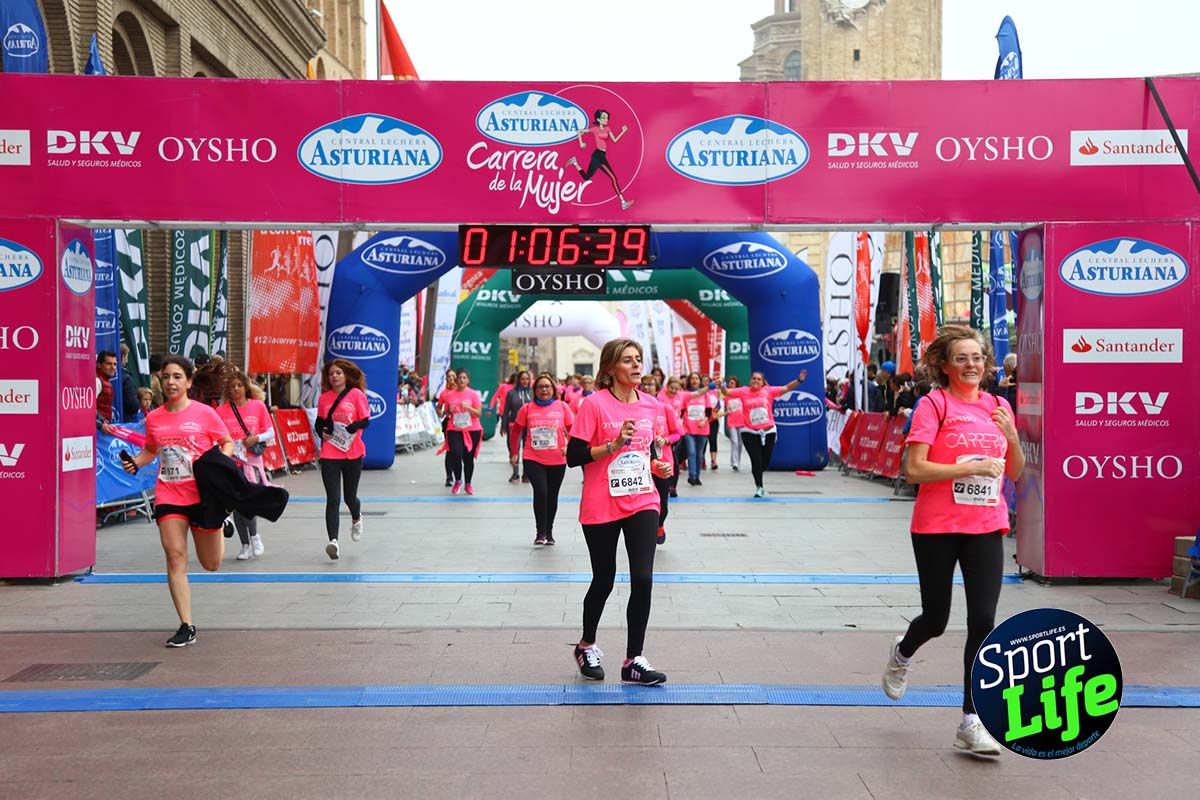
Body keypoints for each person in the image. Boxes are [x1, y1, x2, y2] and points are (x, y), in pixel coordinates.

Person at [881, 326, 1025, 756]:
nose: (971, 365)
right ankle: (903, 652)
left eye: (977, 357)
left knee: (983, 621)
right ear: (945, 365)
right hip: (937, 526)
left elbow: (1014, 472)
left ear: (987, 363)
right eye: (961, 358)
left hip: (985, 526)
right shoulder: (933, 404)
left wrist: (1012, 437)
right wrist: (968, 468)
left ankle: (972, 719)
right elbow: (914, 470)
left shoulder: (999, 406)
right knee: (937, 620)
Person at [566, 338, 672, 685]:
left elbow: (652, 449)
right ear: (611, 368)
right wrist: (612, 445)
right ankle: (587, 644)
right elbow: (573, 456)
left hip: (642, 498)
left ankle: (633, 660)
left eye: (639, 359)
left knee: (643, 579)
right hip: (601, 502)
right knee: (604, 579)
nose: (637, 365)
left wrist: (659, 467)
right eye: (628, 360)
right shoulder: (593, 405)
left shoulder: (653, 406)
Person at [120, 355, 234, 647]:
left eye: (177, 377)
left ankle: (221, 521)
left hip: (202, 495)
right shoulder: (154, 417)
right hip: (169, 494)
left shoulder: (204, 414)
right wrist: (136, 462)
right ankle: (186, 625)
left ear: (189, 381)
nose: (170, 382)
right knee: (175, 556)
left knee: (211, 564)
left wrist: (219, 465)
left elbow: (226, 441)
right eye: (166, 376)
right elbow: (150, 450)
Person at [314, 359, 371, 560]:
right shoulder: (324, 398)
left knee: (349, 498)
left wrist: (354, 426)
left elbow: (366, 420)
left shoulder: (356, 395)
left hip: (352, 452)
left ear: (346, 375)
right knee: (333, 498)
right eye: (331, 374)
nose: (334, 376)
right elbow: (319, 423)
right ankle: (333, 542)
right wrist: (323, 432)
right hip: (330, 451)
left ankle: (356, 517)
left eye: (338, 373)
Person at [217, 369, 275, 561]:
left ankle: (255, 536)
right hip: (231, 462)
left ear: (246, 387)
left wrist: (255, 438)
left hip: (252, 462)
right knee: (235, 505)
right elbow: (215, 434)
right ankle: (244, 545)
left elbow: (270, 432)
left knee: (248, 502)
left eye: (239, 385)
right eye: (232, 386)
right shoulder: (222, 411)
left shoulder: (258, 406)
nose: (236, 389)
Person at [511, 373, 574, 546]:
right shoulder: (527, 408)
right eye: (540, 387)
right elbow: (516, 430)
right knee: (541, 492)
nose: (544, 390)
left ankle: (549, 532)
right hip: (533, 457)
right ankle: (540, 532)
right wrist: (513, 452)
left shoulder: (562, 407)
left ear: (553, 389)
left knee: (552, 496)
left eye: (547, 386)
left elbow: (573, 430)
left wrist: (571, 447)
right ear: (535, 390)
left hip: (557, 458)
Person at [726, 369, 808, 497]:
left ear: (763, 382)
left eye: (759, 379)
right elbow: (726, 392)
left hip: (768, 430)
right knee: (756, 460)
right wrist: (721, 385)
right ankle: (759, 487)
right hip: (749, 431)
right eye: (754, 378)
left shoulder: (768, 391)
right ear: (750, 380)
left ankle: (759, 472)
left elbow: (786, 388)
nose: (756, 381)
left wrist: (799, 380)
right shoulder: (743, 391)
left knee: (765, 462)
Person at [566, 109, 635, 210]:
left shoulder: (607, 129)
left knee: (586, 177)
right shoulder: (595, 129)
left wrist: (623, 132)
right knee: (613, 178)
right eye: (603, 117)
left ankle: (575, 162)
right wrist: (581, 142)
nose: (606, 119)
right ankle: (623, 202)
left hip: (600, 155)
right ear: (598, 119)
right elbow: (579, 131)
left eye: (607, 117)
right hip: (598, 156)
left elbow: (615, 140)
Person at [438, 368, 483, 495]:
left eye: (464, 377)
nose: (461, 380)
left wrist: (468, 408)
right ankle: (458, 480)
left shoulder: (473, 394)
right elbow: (445, 413)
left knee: (468, 459)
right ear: (456, 380)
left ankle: (468, 483)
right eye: (459, 378)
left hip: (472, 430)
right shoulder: (449, 395)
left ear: (468, 380)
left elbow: (478, 413)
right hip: (454, 429)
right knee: (455, 454)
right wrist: (449, 411)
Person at [648, 376, 681, 545]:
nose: (647, 387)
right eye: (643, 384)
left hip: (663, 462)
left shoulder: (665, 408)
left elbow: (678, 432)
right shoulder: (633, 408)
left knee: (662, 501)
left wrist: (666, 440)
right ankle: (647, 530)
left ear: (657, 388)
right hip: (642, 463)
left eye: (650, 384)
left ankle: (660, 524)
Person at [657, 376, 689, 498]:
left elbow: (696, 393)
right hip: (664, 432)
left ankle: (672, 485)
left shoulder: (681, 396)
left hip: (676, 431)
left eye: (676, 388)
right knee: (671, 458)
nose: (674, 391)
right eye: (671, 388)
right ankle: (669, 484)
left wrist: (711, 387)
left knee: (676, 457)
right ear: (667, 386)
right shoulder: (660, 397)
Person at [681, 372, 713, 486]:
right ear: (689, 381)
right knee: (691, 452)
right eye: (692, 379)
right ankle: (692, 476)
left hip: (702, 428)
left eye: (696, 378)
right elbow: (681, 411)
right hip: (688, 428)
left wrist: (705, 420)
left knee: (699, 454)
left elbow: (709, 411)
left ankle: (698, 476)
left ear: (700, 381)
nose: (694, 380)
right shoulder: (685, 395)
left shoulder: (705, 394)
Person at [503, 370, 533, 483]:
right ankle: (515, 473)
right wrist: (503, 426)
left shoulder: (533, 392)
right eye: (522, 379)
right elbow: (506, 411)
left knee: (528, 449)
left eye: (527, 379)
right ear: (518, 380)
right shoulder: (511, 393)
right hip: (514, 425)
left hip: (530, 426)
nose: (525, 381)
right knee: (514, 449)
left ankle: (526, 474)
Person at [436, 370, 458, 486]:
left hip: (461, 424)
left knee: (459, 451)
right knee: (450, 450)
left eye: (453, 376)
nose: (451, 379)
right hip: (449, 423)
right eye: (449, 377)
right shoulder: (444, 393)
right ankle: (449, 476)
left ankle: (458, 474)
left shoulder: (462, 391)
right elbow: (439, 409)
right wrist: (443, 412)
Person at [721, 376, 745, 471]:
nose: (731, 384)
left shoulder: (741, 395)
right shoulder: (726, 396)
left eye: (733, 383)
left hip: (742, 421)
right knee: (734, 441)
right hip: (731, 422)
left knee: (740, 443)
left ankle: (737, 461)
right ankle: (735, 462)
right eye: (730, 383)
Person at [95, 350, 117, 433]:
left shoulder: (105, 381)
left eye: (114, 364)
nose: (113, 367)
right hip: (98, 431)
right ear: (99, 365)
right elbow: (89, 410)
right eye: (108, 364)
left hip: (102, 429)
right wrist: (100, 425)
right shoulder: (96, 381)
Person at [705, 374, 722, 471]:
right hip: (703, 420)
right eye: (704, 381)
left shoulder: (715, 392)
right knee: (703, 443)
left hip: (713, 420)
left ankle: (713, 461)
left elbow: (718, 404)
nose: (705, 382)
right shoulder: (700, 392)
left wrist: (715, 411)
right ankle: (701, 459)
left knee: (713, 440)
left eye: (707, 381)